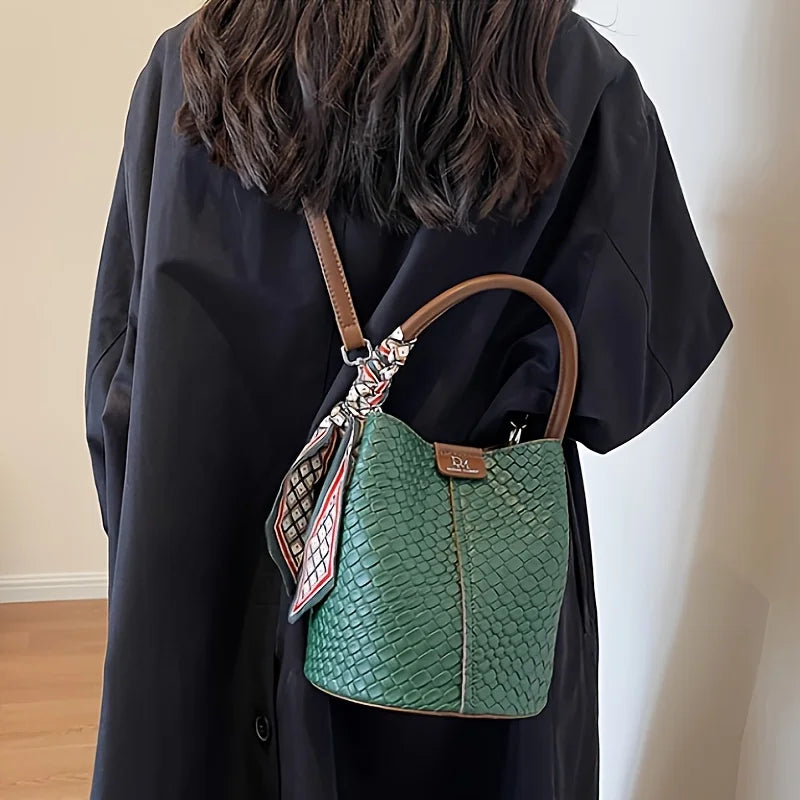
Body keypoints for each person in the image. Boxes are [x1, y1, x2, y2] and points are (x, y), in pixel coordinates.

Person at [85, 3, 731, 799]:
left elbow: (117, 382)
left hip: (206, 605)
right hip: (459, 652)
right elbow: (626, 386)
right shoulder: (574, 76)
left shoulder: (191, 67)